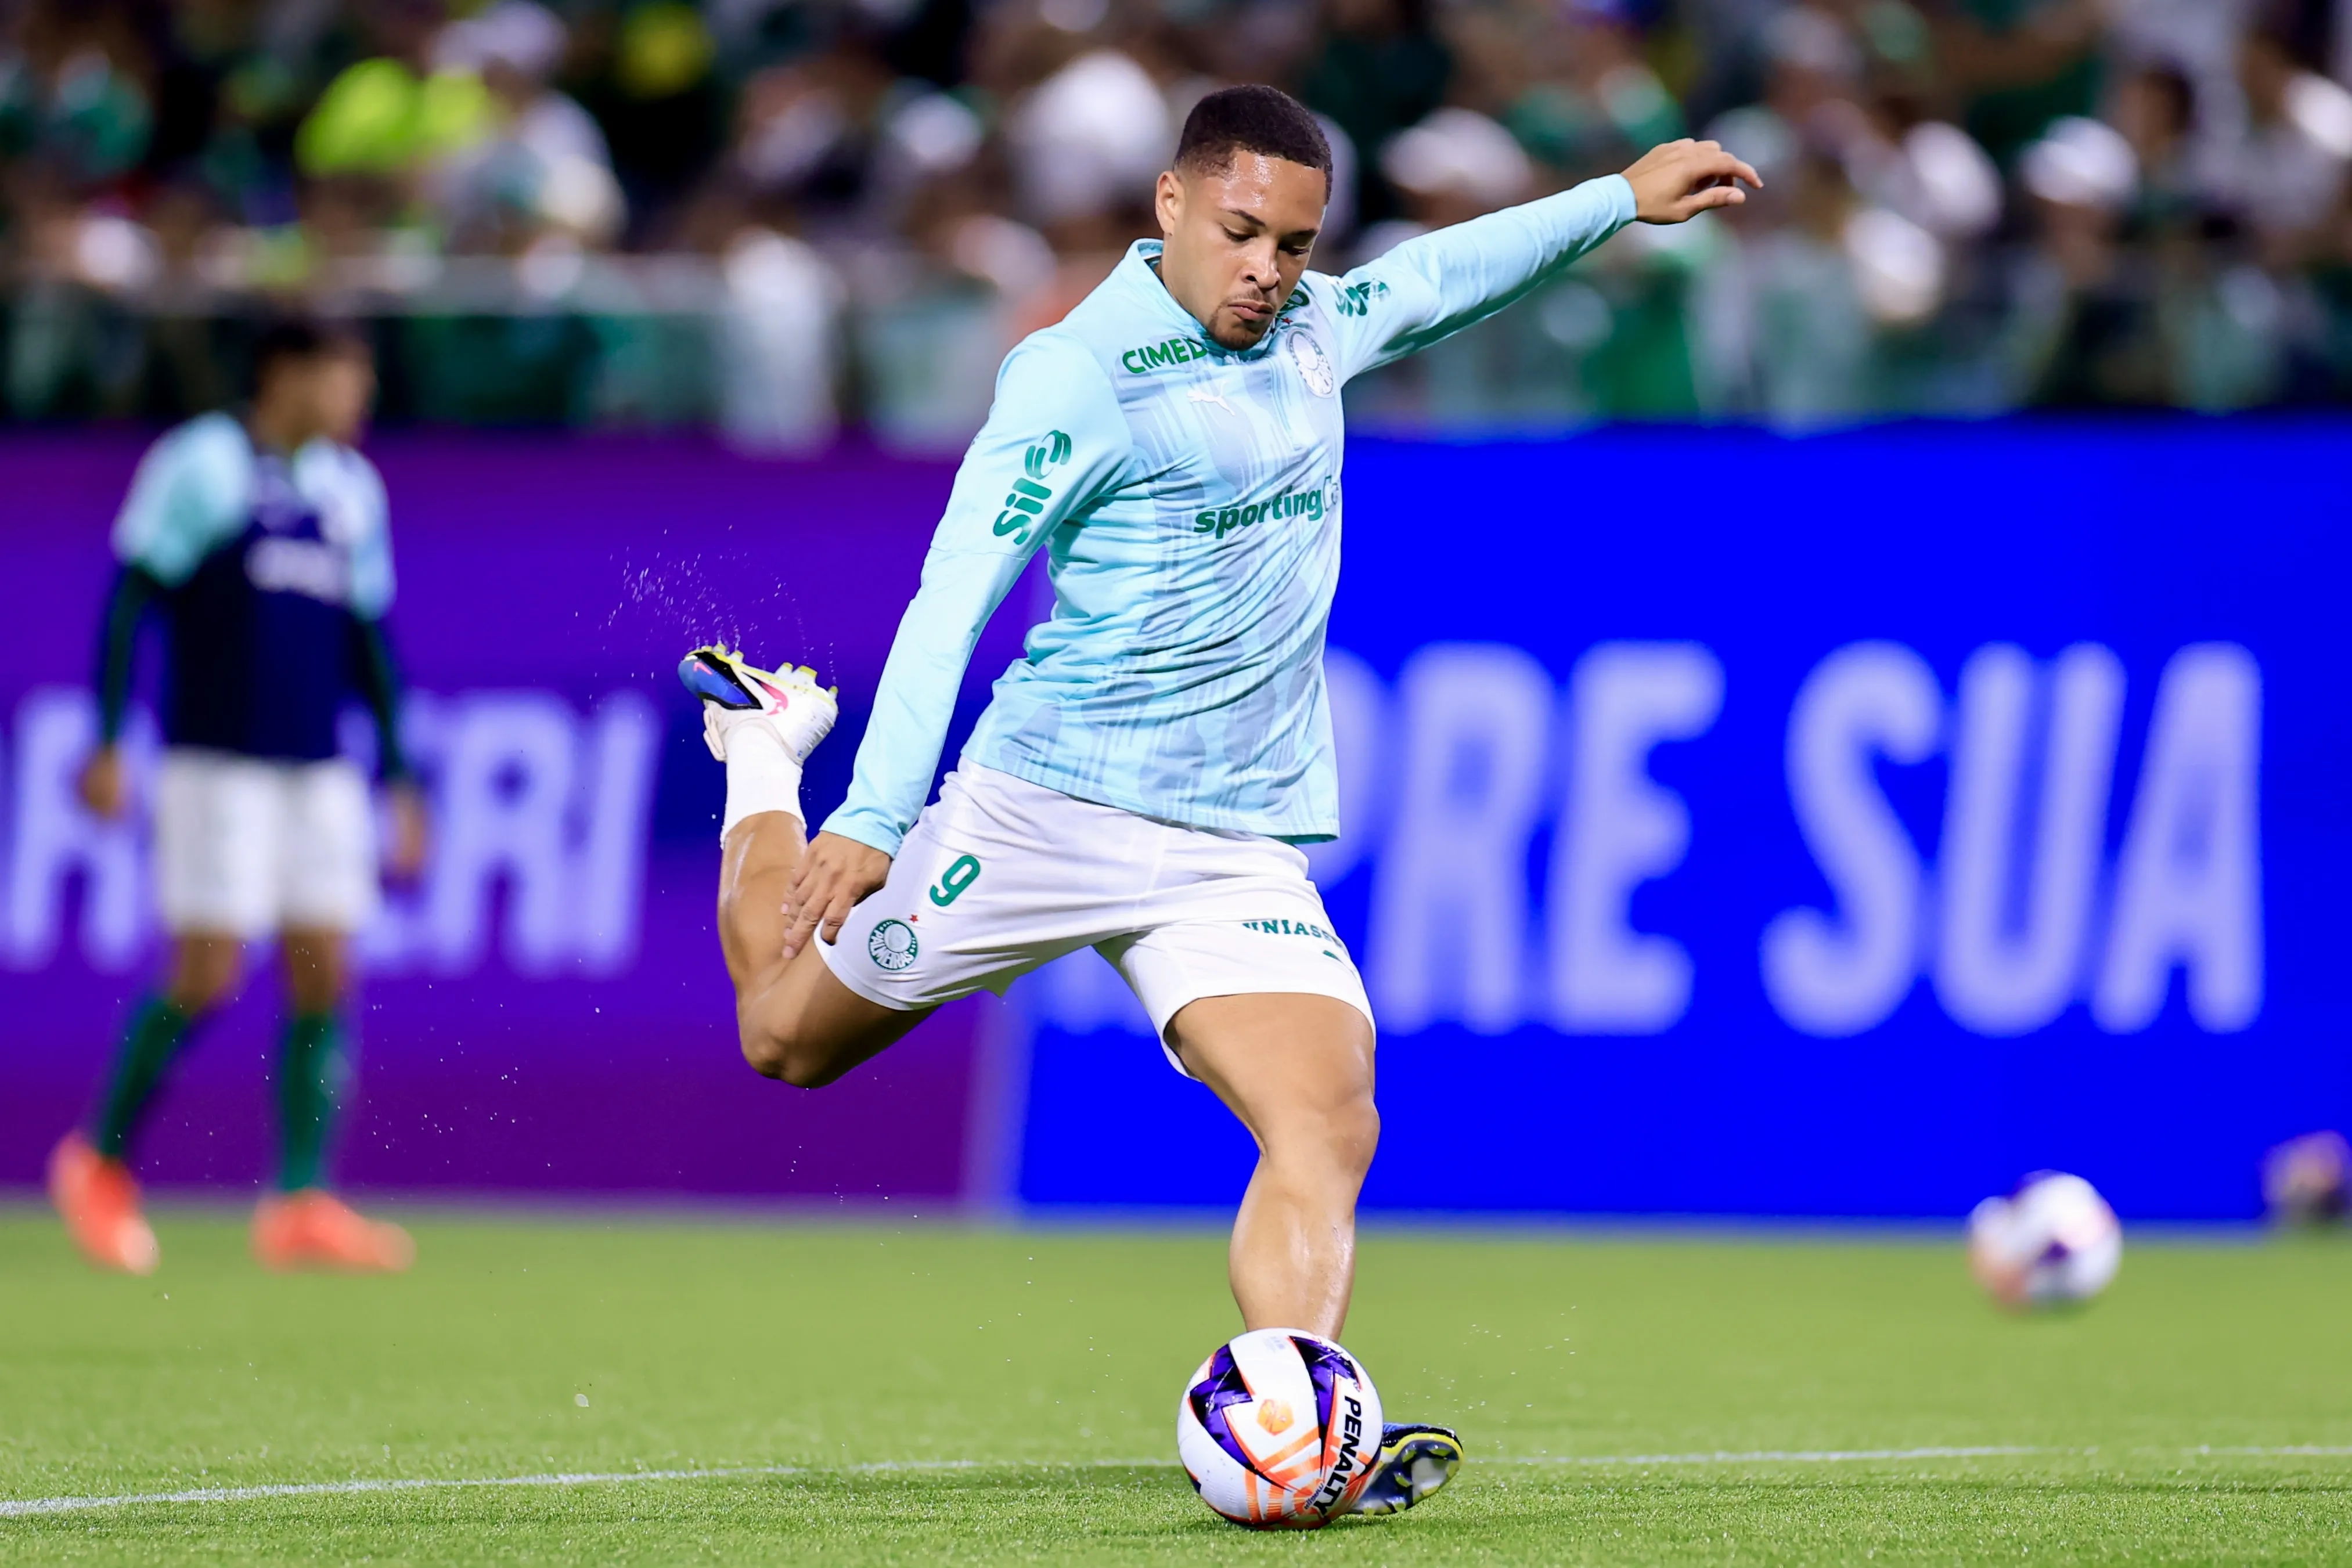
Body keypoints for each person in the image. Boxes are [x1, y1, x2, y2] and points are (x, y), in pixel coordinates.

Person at [679, 85, 1754, 1516]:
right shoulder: (1075, 374)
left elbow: (1436, 277)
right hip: (1040, 814)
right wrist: (872, 810)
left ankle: (1296, 1420)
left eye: (1295, 245)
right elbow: (955, 595)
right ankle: (764, 753)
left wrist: (1614, 199)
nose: (1268, 270)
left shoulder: (1310, 330)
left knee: (1330, 1120)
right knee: (783, 1038)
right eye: (1242, 233)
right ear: (1171, 204)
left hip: (1233, 848)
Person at [48, 319, 428, 1277]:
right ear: (286, 374)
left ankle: (301, 1198)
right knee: (209, 968)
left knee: (326, 966)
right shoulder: (205, 465)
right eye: (343, 377)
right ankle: (97, 1162)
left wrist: (400, 776)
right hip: (215, 761)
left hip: (317, 764)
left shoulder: (350, 489)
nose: (358, 399)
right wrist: (107, 738)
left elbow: (368, 642)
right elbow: (133, 599)